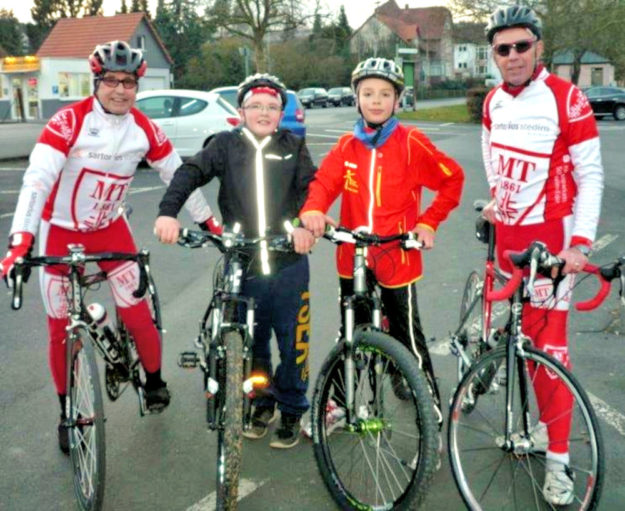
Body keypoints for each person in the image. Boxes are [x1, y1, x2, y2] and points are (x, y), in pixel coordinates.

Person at [0, 40, 222, 454]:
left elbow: (178, 176)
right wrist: (20, 243)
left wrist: (209, 222)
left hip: (111, 230)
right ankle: (67, 412)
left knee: (136, 313)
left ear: (138, 85)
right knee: (59, 332)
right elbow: (36, 181)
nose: (120, 90)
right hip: (61, 232)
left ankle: (154, 382)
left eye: (128, 82)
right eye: (111, 82)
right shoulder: (70, 122)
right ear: (96, 82)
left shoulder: (145, 128)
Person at [299, 57, 464, 431]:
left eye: (385, 94)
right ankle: (339, 404)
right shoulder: (346, 147)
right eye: (368, 93)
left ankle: (431, 418)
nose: (376, 101)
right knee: (350, 333)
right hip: (353, 255)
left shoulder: (411, 143)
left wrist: (427, 222)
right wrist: (313, 211)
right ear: (356, 98)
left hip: (397, 254)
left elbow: (453, 179)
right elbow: (324, 185)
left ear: (396, 100)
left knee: (408, 337)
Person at [481, 6, 604, 506]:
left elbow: (591, 174)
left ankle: (558, 462)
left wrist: (580, 244)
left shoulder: (566, 98)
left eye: (521, 46)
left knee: (548, 353)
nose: (512, 57)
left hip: (552, 243)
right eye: (502, 49)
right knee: (517, 342)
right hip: (506, 238)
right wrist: (495, 198)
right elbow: (490, 150)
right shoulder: (493, 101)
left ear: (538, 47)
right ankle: (532, 429)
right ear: (494, 54)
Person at [154, 73, 316, 449]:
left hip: (289, 261)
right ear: (241, 110)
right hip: (242, 263)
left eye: (272, 107)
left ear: (281, 113)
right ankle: (261, 401)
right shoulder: (225, 145)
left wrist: (308, 223)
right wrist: (168, 213)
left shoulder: (294, 146)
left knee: (294, 343)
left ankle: (292, 407)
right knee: (251, 342)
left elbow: (312, 190)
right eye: (256, 106)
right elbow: (189, 172)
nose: (263, 112)